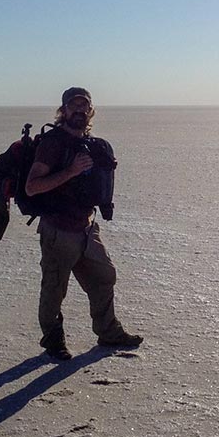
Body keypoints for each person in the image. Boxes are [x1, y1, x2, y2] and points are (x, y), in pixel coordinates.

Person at [24, 87, 143, 360]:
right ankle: (53, 340)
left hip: (87, 227)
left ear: (90, 110)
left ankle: (108, 331)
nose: (79, 110)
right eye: (73, 105)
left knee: (104, 276)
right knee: (54, 289)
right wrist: (71, 171)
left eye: (84, 105)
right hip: (58, 230)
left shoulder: (90, 143)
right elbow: (32, 187)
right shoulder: (52, 143)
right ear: (63, 110)